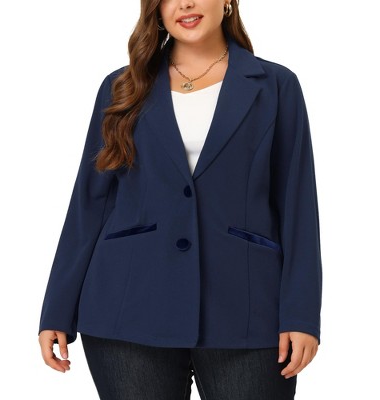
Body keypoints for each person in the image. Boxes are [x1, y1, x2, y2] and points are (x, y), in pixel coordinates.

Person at [38, 0, 322, 399]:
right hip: (128, 306)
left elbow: (298, 206)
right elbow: (90, 203)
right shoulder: (122, 87)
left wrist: (301, 314)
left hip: (248, 309)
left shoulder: (276, 85)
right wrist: (58, 308)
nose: (185, 3)